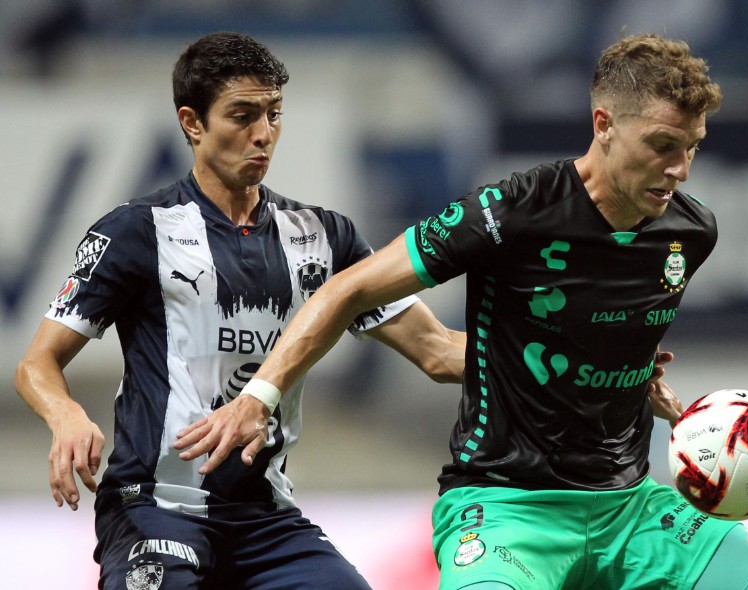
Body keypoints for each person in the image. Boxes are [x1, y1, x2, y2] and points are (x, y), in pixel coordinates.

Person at [176, 34, 748, 589]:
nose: (679, 168)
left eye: (692, 147)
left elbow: (589, 333)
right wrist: (260, 395)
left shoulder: (690, 233)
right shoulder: (511, 211)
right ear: (604, 125)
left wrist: (627, 372)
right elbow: (346, 289)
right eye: (661, 145)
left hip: (631, 508)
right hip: (507, 508)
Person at [14, 32, 465, 589]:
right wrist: (66, 416)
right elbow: (36, 363)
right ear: (192, 123)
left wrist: (561, 347)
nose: (263, 134)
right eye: (243, 115)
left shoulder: (327, 238)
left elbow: (439, 351)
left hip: (268, 520)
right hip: (155, 507)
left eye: (274, 114)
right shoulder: (136, 230)